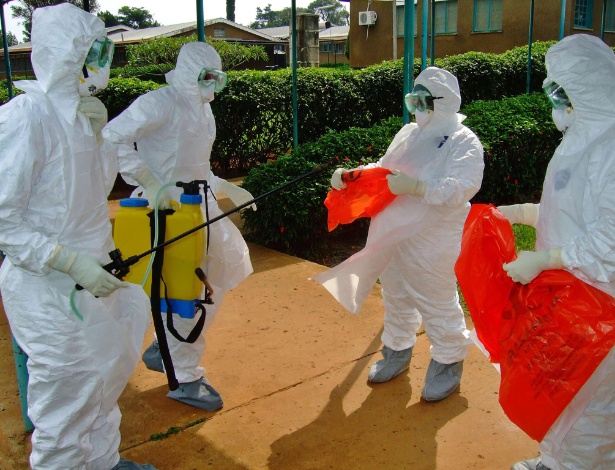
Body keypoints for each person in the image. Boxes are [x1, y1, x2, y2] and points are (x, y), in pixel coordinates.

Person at [0, 4, 155, 470]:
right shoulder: (27, 116)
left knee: (103, 379)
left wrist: (100, 135)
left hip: (97, 271)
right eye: (96, 50)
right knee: (67, 393)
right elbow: (4, 218)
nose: (104, 60)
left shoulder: (82, 117)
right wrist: (68, 262)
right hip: (47, 283)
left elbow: (92, 192)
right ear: (69, 54)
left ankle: (104, 462)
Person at [102, 41, 254, 411]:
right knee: (187, 291)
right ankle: (184, 375)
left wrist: (225, 186)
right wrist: (149, 181)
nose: (212, 86)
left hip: (197, 206)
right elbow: (111, 136)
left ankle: (165, 344)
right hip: (165, 210)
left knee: (219, 276)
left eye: (218, 78)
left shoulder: (204, 112)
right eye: (206, 76)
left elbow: (197, 167)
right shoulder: (161, 102)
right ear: (187, 72)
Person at [319, 67, 484, 401]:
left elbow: (464, 186)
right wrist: (353, 176)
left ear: (442, 102)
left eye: (422, 100)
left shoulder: (462, 139)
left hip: (433, 236)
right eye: (413, 99)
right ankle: (397, 349)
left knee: (435, 298)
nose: (416, 107)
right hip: (393, 230)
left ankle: (449, 359)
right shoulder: (409, 132)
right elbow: (385, 169)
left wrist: (419, 187)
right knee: (395, 294)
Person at [497, 34, 615, 470]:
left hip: (601, 305)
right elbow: (571, 209)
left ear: (587, 88)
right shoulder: (582, 137)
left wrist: (546, 259)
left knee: (591, 410)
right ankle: (554, 460)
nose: (554, 98)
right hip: (568, 298)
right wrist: (525, 213)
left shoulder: (611, 145)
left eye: (560, 88)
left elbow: (611, 242)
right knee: (560, 392)